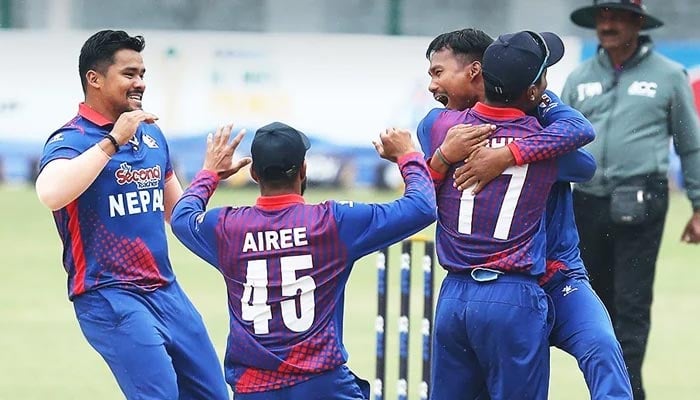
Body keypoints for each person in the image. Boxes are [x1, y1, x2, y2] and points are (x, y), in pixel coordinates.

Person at [422, 28, 633, 398]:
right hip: (509, 287)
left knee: (601, 346)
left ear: (478, 73)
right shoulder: (448, 129)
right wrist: (532, 129)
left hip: (554, 274)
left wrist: (509, 151)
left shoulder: (445, 128)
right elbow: (582, 162)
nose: (432, 86)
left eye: (439, 73)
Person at [169, 122, 437, 399]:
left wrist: (209, 173)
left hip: (254, 388)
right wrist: (408, 155)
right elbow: (422, 206)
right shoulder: (334, 223)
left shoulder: (226, 227)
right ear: (304, 169)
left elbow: (181, 217)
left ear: (253, 173)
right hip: (322, 384)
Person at [35, 30, 229, 400]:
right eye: (129, 74)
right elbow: (50, 193)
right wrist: (112, 141)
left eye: (142, 73)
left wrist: (210, 176)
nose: (139, 83)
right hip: (108, 294)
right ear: (94, 79)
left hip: (166, 290)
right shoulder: (71, 139)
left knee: (214, 395)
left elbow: (180, 215)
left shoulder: (153, 137)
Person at [562, 2, 700, 398]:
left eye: (617, 16)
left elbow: (690, 146)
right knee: (595, 312)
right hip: (585, 203)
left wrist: (698, 205)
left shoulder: (669, 75)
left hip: (642, 201)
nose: (607, 24)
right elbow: (558, 142)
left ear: (637, 22)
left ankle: (629, 394)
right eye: (602, 16)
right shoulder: (579, 77)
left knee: (631, 308)